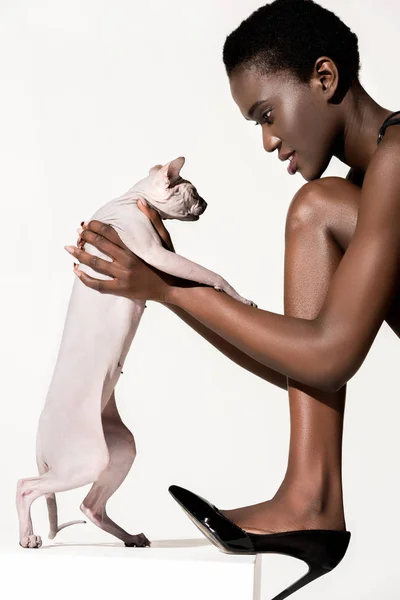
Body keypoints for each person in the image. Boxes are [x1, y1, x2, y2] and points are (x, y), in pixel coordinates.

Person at [64, 0, 400, 595]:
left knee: (315, 207)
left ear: (325, 78)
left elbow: (329, 356)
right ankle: (311, 498)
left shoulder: (399, 160)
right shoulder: (359, 196)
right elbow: (307, 368)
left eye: (267, 114)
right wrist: (168, 292)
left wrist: (166, 284)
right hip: (334, 217)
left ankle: (309, 501)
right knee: (317, 210)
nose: (269, 141)